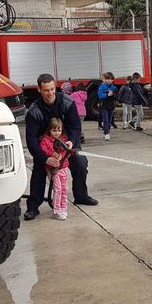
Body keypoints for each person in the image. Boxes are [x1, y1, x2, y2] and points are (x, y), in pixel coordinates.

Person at [24, 74, 98, 220]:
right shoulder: (34, 111)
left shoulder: (67, 102)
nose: (50, 93)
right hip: (45, 149)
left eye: (52, 89)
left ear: (55, 86)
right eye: (46, 90)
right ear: (39, 89)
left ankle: (81, 196)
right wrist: (45, 158)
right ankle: (33, 207)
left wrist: (72, 142)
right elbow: (31, 140)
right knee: (39, 170)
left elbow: (75, 127)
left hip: (65, 147)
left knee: (80, 163)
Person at [39, 118, 73, 220]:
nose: (57, 133)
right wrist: (52, 154)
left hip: (63, 168)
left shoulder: (63, 139)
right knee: (57, 189)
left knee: (64, 189)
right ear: (49, 130)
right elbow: (43, 150)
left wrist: (64, 153)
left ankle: (63, 208)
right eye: (54, 130)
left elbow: (67, 152)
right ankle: (56, 210)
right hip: (53, 169)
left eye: (59, 130)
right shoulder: (45, 140)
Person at [98, 72, 117, 140]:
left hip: (111, 106)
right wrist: (107, 95)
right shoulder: (102, 87)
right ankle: (106, 133)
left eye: (111, 79)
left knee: (109, 121)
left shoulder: (114, 87)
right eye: (108, 79)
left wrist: (113, 94)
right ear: (105, 79)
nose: (109, 80)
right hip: (104, 106)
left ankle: (107, 132)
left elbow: (116, 97)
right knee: (105, 120)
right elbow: (100, 95)